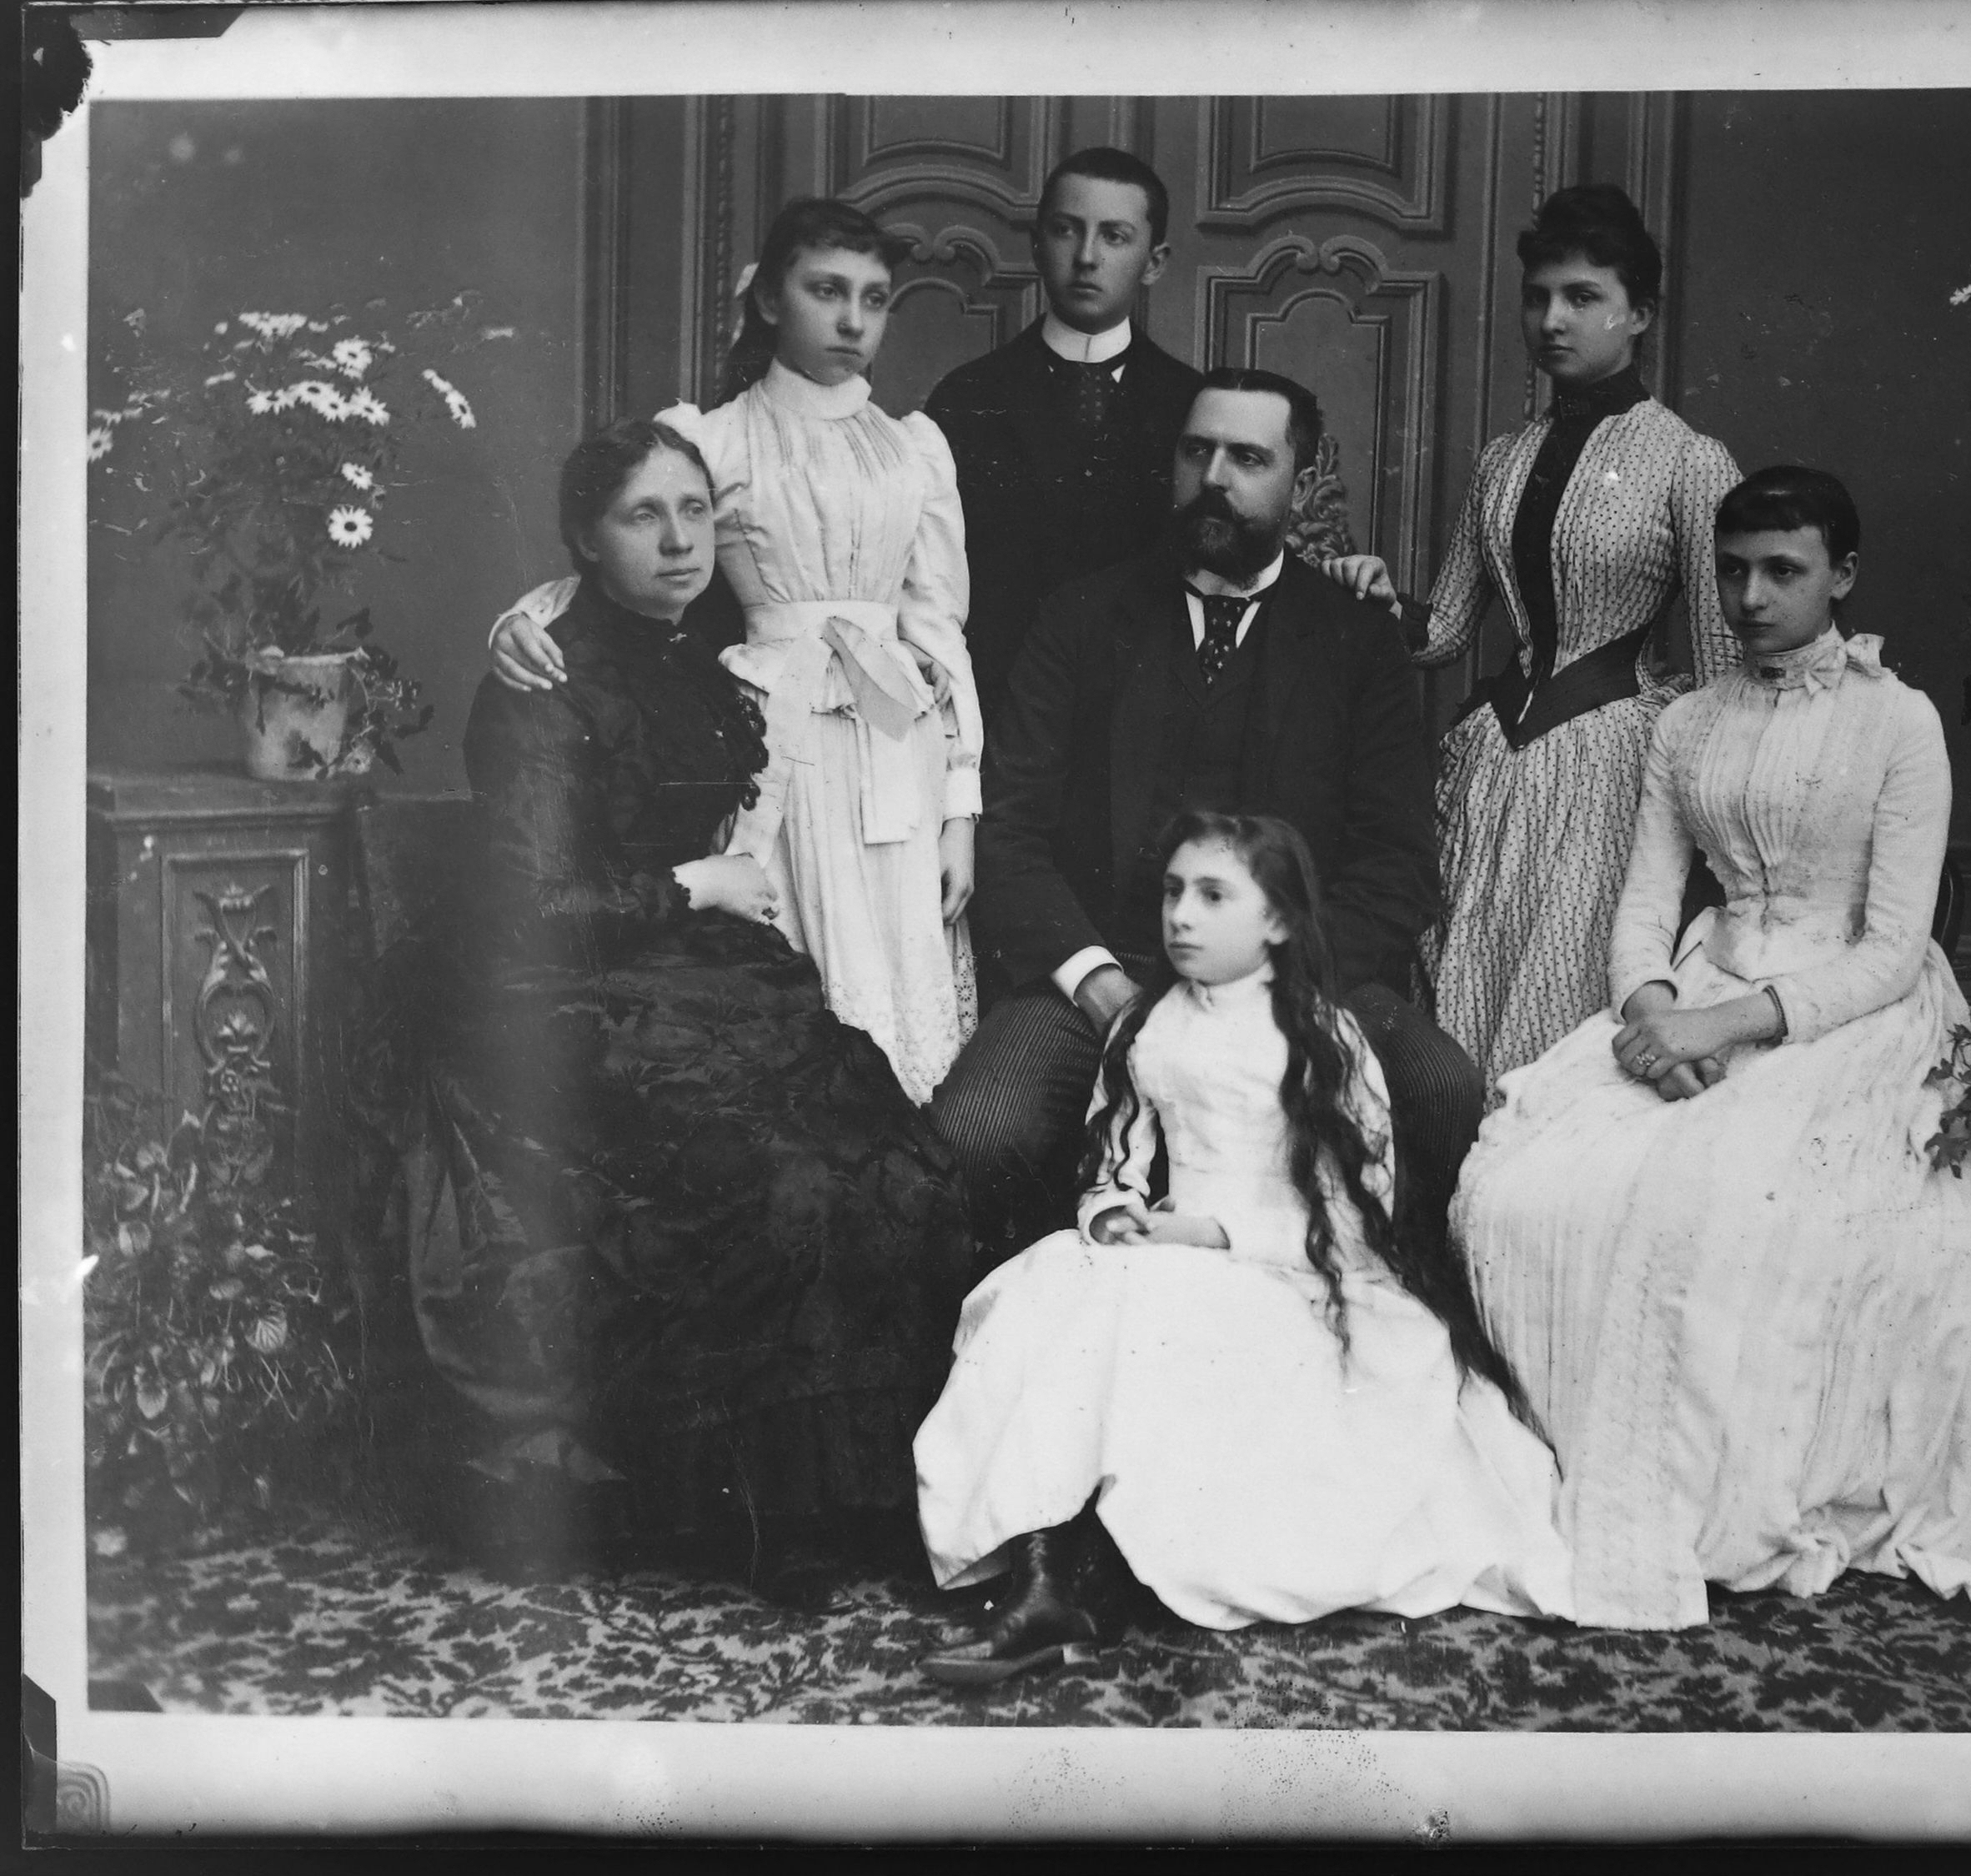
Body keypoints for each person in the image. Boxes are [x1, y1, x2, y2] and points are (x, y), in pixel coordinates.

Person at [1448, 467, 1971, 1631]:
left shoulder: (1897, 721)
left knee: (1720, 1209)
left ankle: (1720, 1496)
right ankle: (1591, 1468)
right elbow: (1643, 903)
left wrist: (1726, 1025)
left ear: (1842, 576)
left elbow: (1891, 949)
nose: (1752, 597)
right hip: (1698, 989)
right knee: (1516, 1188)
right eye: (1733, 572)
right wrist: (1652, 1013)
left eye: (1784, 571)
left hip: (1853, 1017)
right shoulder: (1687, 721)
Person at [380, 419, 976, 1605]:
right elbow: (536, 909)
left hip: (687, 973)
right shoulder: (540, 687)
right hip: (560, 995)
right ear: (584, 539)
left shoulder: (703, 654)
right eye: (642, 517)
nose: (678, 541)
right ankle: (764, 1512)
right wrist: (698, 886)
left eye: (697, 512)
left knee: (890, 1155)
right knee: (772, 1172)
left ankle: (860, 1495)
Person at [915, 812, 1573, 1684]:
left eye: (1213, 896)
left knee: (1153, 1319)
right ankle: (1044, 1574)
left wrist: (1212, 1234)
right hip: (1166, 1255)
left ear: (1279, 921)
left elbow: (1354, 1218)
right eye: (1172, 893)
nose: (1180, 916)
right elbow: (1115, 1160)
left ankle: (1081, 1581)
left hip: (1294, 1276)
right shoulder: (1146, 1028)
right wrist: (1113, 1216)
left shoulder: (1323, 1039)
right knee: (1053, 1292)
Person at [932, 368, 1482, 1257]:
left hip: (1302, 977)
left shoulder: (1355, 638)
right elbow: (1011, 828)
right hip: (1106, 971)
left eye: (1248, 458)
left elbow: (1399, 860)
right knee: (979, 1131)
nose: (1214, 478)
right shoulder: (1081, 617)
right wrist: (1100, 986)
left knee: (1440, 1091)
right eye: (1198, 452)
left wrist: (1282, 988)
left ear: (1302, 481)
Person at [485, 198, 981, 1102]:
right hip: (778, 745)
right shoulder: (718, 437)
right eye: (826, 291)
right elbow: (628, 542)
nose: (851, 320)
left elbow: (939, 629)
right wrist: (521, 617)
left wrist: (961, 811)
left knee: (905, 994)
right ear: (769, 300)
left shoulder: (914, 450)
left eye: (873, 299)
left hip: (895, 749)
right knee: (798, 986)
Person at [1325, 185, 1745, 1090]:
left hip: (1613, 774)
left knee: (1565, 1031)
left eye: (1583, 297)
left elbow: (1724, 680)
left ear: (1640, 315)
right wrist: (1378, 598)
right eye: (1538, 297)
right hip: (1494, 766)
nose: (1552, 320)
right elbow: (1443, 631)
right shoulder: (1502, 459)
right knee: (1458, 1016)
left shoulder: (1690, 461)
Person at [921, 147, 1206, 717]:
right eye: (1066, 230)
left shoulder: (1193, 405)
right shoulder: (968, 397)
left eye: (1115, 236)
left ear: (1154, 262)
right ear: (1036, 243)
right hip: (1001, 709)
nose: (1086, 257)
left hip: (1145, 716)